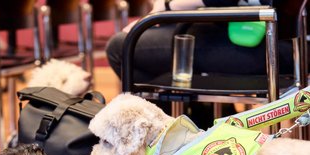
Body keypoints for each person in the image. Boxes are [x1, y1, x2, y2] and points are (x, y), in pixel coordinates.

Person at [106, 0, 297, 84]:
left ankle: (175, 136)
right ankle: (202, 127)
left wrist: (165, 7)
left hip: (274, 45)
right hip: (290, 43)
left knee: (121, 47)